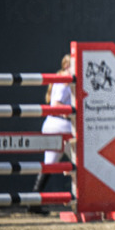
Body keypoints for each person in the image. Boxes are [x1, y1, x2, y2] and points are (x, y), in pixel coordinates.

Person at [29, 53, 75, 216]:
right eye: (73, 65)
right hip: (62, 127)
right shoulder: (65, 81)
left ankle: (34, 201)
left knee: (49, 165)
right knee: (81, 162)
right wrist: (71, 114)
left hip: (53, 125)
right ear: (66, 66)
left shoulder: (63, 79)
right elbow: (56, 104)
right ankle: (80, 199)